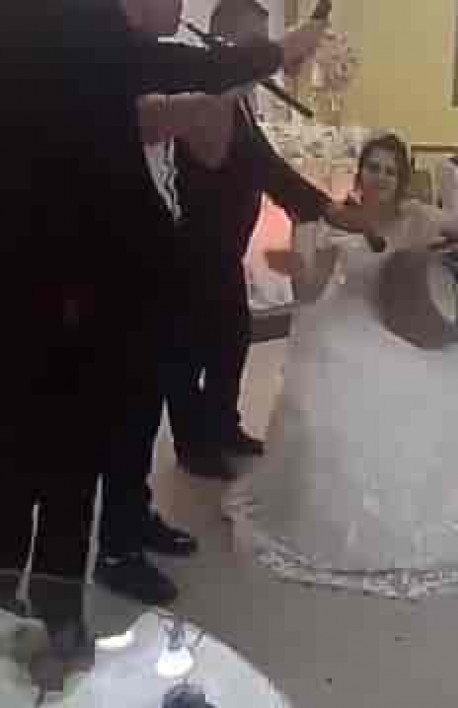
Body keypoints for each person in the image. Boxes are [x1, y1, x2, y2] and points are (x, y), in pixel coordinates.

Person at [1, 0, 324, 663]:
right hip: (58, 290)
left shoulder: (75, 40)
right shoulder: (68, 27)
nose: (180, 6)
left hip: (87, 289)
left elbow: (141, 104)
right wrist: (278, 51)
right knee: (46, 464)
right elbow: (166, 73)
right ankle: (38, 613)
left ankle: (50, 608)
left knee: (60, 464)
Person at [221, 134, 458, 599]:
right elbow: (309, 292)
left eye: (390, 171)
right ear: (360, 173)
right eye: (373, 167)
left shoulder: (415, 215)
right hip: (351, 320)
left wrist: (442, 242)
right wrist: (302, 253)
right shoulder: (338, 221)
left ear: (400, 179)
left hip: (409, 317)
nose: (380, 177)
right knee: (334, 410)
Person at [90, 4, 326, 607]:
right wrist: (251, 68)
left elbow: (254, 160)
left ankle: (132, 515)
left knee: (146, 405)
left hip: (164, 266)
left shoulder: (172, 74)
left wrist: (320, 206)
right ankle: (115, 548)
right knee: (131, 407)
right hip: (141, 271)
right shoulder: (128, 64)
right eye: (250, 43)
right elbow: (181, 124)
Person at [167, 0, 368, 478]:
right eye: (259, 42)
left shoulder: (241, 98)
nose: (268, 54)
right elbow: (261, 166)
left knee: (231, 341)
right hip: (194, 252)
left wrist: (323, 207)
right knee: (190, 350)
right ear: (226, 40)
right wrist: (325, 208)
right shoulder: (203, 92)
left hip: (222, 253)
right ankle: (194, 446)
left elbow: (265, 166)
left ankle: (222, 425)